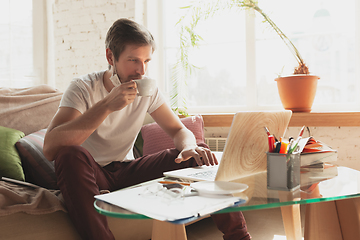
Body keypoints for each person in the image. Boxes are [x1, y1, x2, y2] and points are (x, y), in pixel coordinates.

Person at [43, 18, 251, 240]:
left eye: (146, 61)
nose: (141, 70)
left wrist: (188, 147)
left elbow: (179, 131)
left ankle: (239, 237)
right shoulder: (83, 88)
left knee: (198, 153)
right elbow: (50, 147)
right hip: (93, 173)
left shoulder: (148, 89)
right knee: (69, 154)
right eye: (133, 60)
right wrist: (106, 106)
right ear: (110, 57)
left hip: (127, 169)